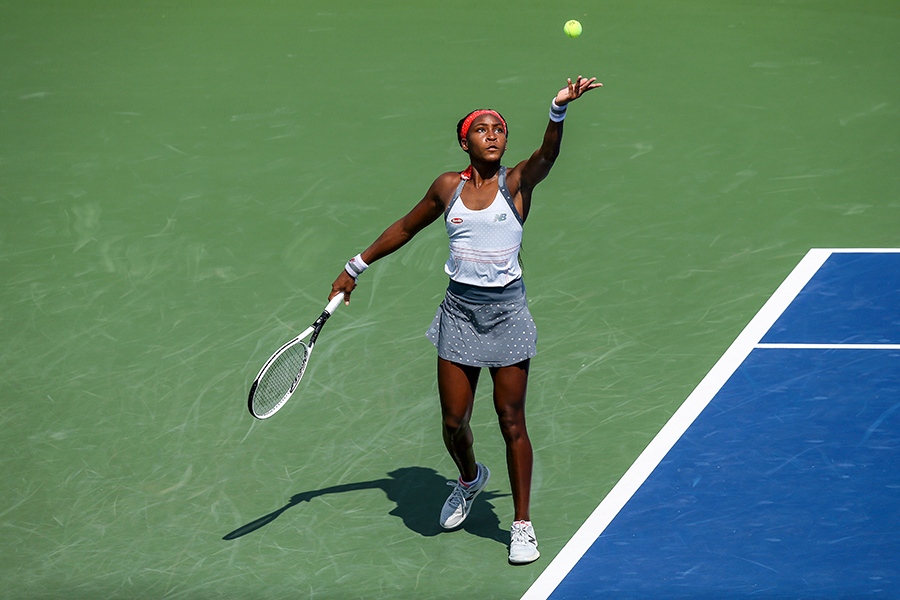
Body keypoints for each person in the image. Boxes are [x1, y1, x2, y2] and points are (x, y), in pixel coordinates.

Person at [329, 76, 602, 564]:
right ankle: (471, 478)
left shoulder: (517, 182)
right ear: (465, 141)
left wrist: (558, 110)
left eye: (500, 128)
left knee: (510, 419)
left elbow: (548, 157)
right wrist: (354, 269)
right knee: (454, 422)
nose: (494, 134)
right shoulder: (447, 188)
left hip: (507, 315)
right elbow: (407, 227)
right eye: (483, 128)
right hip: (459, 314)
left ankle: (521, 524)